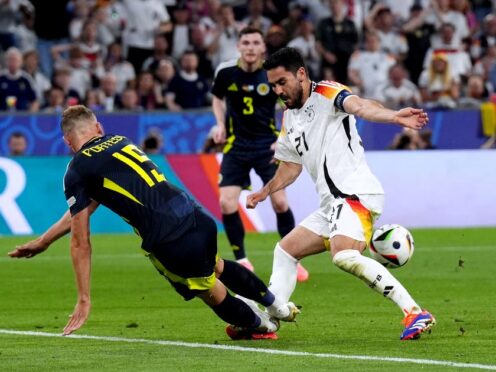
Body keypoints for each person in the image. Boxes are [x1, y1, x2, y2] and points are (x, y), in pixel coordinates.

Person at [8, 105, 286, 339]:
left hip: (169, 241)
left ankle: (258, 324)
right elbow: (91, 203)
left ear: (68, 142)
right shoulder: (119, 140)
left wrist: (83, 298)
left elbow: (81, 241)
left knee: (209, 289)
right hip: (196, 216)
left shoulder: (78, 169)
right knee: (217, 264)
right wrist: (44, 241)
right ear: (99, 128)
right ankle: (276, 305)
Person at [246, 47, 436, 341]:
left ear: (301, 74)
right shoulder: (289, 118)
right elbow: (291, 167)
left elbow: (360, 106)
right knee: (285, 251)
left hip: (356, 194)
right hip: (332, 204)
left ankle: (414, 312)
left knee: (344, 255)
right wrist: (264, 191)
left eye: (282, 82)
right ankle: (269, 321)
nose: (278, 90)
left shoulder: (327, 92)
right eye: (273, 85)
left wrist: (394, 117)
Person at [211, 26, 308, 281]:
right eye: (246, 42)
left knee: (280, 202)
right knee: (226, 202)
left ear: (263, 47)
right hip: (236, 146)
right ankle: (242, 260)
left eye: (256, 42)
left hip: (267, 146)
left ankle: (293, 260)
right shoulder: (226, 72)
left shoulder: (271, 74)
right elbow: (217, 99)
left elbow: (292, 105)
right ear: (239, 46)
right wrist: (220, 124)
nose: (251, 47)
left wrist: (283, 138)